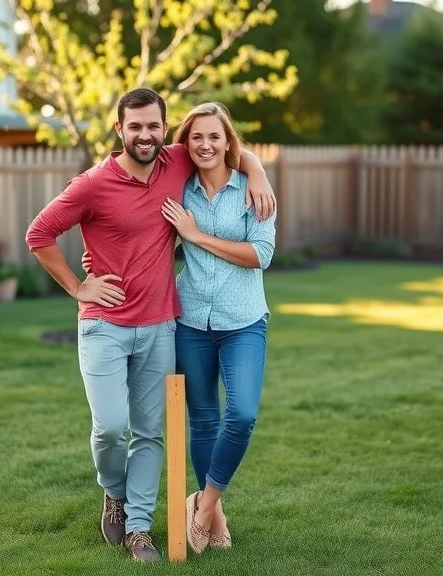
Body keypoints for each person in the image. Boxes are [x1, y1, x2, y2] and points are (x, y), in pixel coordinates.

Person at [24, 87, 276, 563]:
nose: (145, 134)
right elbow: (39, 233)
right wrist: (79, 286)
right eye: (135, 126)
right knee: (111, 429)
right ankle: (113, 492)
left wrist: (258, 171)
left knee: (152, 433)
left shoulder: (175, 163)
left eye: (153, 126)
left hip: (162, 322)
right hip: (106, 324)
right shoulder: (93, 183)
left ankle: (141, 528)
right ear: (119, 130)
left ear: (164, 130)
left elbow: (224, 148)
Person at [159, 102, 276, 554]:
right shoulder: (177, 188)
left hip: (243, 320)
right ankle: (217, 514)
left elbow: (260, 255)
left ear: (229, 142)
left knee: (242, 415)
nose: (206, 145)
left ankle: (203, 507)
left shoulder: (254, 191)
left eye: (215, 136)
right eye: (197, 137)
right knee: (204, 419)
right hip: (189, 319)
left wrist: (197, 236)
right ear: (186, 143)